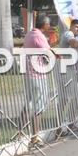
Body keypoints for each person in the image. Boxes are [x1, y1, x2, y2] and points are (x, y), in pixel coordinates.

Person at [21, 15, 54, 148]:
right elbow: (48, 52)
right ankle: (34, 139)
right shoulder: (39, 36)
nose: (49, 26)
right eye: (48, 24)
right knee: (38, 107)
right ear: (44, 25)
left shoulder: (29, 34)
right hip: (37, 75)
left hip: (28, 75)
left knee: (28, 104)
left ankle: (19, 132)